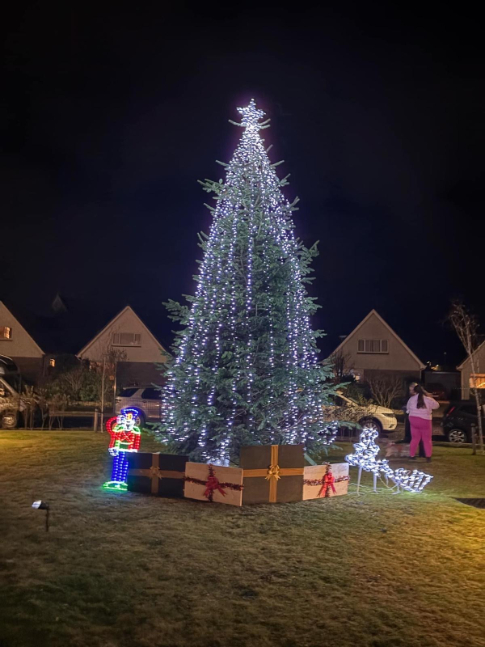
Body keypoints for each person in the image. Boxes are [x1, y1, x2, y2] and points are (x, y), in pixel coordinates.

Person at [406, 384, 440, 462]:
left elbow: (408, 408)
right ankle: (428, 456)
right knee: (427, 439)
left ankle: (412, 455)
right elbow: (437, 406)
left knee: (415, 438)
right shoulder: (428, 399)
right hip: (425, 420)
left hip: (413, 419)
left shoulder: (411, 399)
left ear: (415, 391)